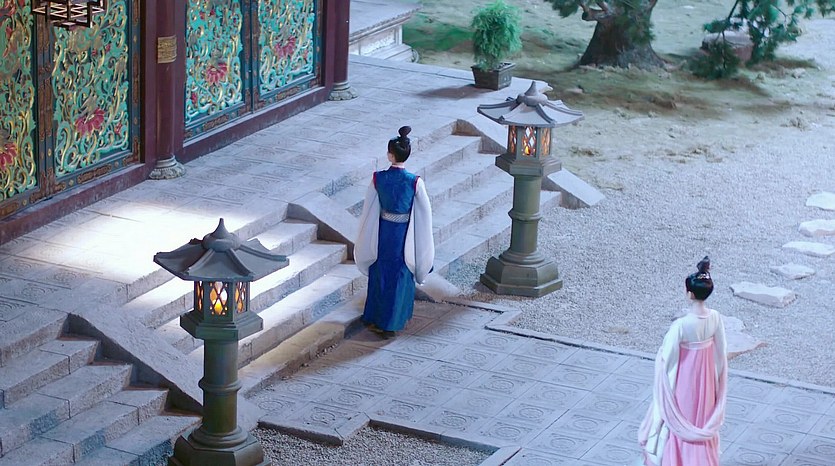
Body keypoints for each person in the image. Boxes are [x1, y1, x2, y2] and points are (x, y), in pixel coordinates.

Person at [637, 257, 728, 466]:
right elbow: (721, 351)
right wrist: (715, 378)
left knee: (681, 419)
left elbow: (667, 356)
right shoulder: (715, 317)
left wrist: (664, 369)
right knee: (702, 418)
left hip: (685, 379)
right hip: (706, 381)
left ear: (689, 294)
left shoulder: (681, 324)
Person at [354, 126, 434, 339]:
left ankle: (374, 316)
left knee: (380, 271)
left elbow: (369, 208)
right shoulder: (414, 181)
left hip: (383, 231)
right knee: (401, 272)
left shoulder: (378, 178)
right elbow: (425, 213)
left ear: (390, 155)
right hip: (404, 233)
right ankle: (393, 322)